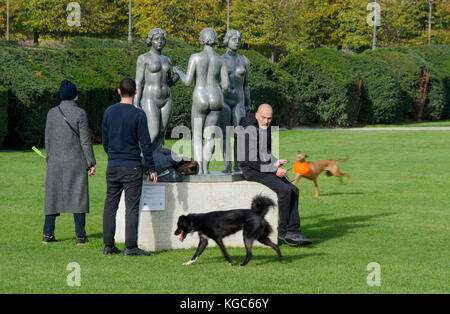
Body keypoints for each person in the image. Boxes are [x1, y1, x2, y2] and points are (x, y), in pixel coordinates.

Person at [238, 104, 312, 246]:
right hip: (251, 169)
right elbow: (250, 160)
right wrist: (273, 170)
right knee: (284, 190)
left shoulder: (265, 128)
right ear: (256, 115)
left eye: (269, 119)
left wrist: (275, 161)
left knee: (294, 190)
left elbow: (265, 152)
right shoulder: (249, 130)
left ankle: (294, 230)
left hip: (263, 166)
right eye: (263, 118)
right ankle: (284, 232)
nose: (266, 121)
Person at [102, 78, 158, 256]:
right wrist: (151, 168)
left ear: (119, 91)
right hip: (132, 166)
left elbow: (105, 141)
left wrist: (112, 155)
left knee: (110, 205)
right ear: (135, 92)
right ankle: (131, 247)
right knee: (131, 208)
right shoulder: (139, 114)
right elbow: (146, 143)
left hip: (113, 165)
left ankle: (109, 245)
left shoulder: (109, 112)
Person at [43, 79, 96, 245]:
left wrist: (50, 157)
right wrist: (91, 162)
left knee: (52, 198)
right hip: (76, 161)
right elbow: (85, 142)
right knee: (78, 197)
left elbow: (47, 139)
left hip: (55, 162)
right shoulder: (80, 113)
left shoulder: (51, 113)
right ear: (74, 96)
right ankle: (80, 236)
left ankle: (47, 234)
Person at [174, 28, 229, 175]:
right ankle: (206, 169)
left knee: (197, 136)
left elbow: (187, 81)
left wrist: (179, 72)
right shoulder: (221, 60)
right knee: (210, 136)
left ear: (201, 40)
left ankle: (198, 170)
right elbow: (225, 85)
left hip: (200, 96)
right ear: (215, 40)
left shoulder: (196, 57)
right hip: (216, 96)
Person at [134, 28, 179, 152]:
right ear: (151, 41)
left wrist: (177, 76)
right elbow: (138, 81)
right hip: (150, 98)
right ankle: (140, 159)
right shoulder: (143, 58)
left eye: (161, 39)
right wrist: (136, 103)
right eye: (156, 39)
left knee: (161, 133)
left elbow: (168, 82)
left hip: (166, 98)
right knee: (153, 132)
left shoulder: (167, 59)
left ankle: (157, 165)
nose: (159, 42)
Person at [221, 29, 250, 174]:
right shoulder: (220, 60)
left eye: (239, 39)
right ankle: (227, 164)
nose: (237, 42)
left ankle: (238, 165)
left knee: (240, 133)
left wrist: (248, 103)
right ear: (227, 41)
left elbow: (246, 85)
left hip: (239, 101)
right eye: (234, 39)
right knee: (226, 133)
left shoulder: (244, 61)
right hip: (224, 101)